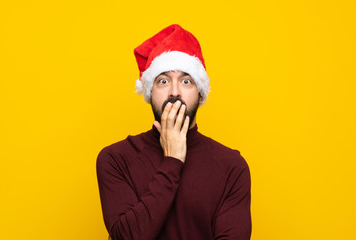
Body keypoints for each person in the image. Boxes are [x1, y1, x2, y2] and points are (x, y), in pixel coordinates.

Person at [96, 24, 251, 240]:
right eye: (163, 81)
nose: (175, 92)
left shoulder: (232, 167)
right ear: (150, 92)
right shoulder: (115, 159)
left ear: (200, 93)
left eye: (186, 81)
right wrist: (173, 161)